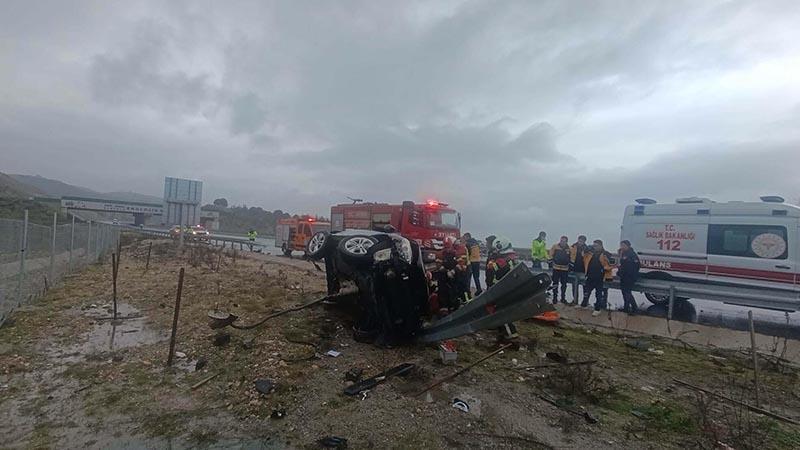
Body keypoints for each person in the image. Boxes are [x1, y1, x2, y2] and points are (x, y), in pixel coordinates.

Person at [487, 236, 519, 340]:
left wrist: (491, 262)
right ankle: (501, 331)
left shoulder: (504, 259)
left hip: (502, 290)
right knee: (498, 311)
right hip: (505, 289)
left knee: (501, 313)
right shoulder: (512, 257)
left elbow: (494, 268)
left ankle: (510, 334)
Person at [581, 239, 614, 317]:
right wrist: (585, 249)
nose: (594, 247)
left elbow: (612, 264)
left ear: (600, 246)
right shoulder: (591, 253)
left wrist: (604, 269)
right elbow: (583, 257)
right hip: (590, 276)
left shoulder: (605, 254)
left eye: (596, 246)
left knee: (598, 294)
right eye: (593, 246)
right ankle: (584, 305)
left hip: (600, 277)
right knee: (587, 292)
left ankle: (597, 309)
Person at [618, 240, 641, 314]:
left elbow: (637, 265)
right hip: (623, 276)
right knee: (625, 293)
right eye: (621, 245)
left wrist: (631, 274)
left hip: (629, 277)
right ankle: (627, 308)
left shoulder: (632, 254)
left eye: (623, 245)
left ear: (628, 246)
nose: (622, 247)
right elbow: (622, 265)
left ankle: (633, 308)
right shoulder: (623, 253)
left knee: (627, 293)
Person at [549, 236, 571, 304]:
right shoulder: (555, 246)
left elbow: (572, 257)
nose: (562, 242)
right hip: (556, 268)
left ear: (566, 242)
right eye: (561, 241)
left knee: (564, 285)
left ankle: (563, 298)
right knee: (555, 284)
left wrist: (571, 266)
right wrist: (550, 262)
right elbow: (550, 254)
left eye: (564, 241)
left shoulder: (570, 249)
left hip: (565, 269)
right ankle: (555, 298)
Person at [569, 235, 588, 303]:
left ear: (584, 241)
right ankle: (575, 300)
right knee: (574, 286)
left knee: (585, 286)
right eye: (579, 240)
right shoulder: (573, 246)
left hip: (583, 270)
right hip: (574, 269)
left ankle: (585, 301)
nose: (580, 242)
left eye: (582, 241)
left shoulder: (587, 248)